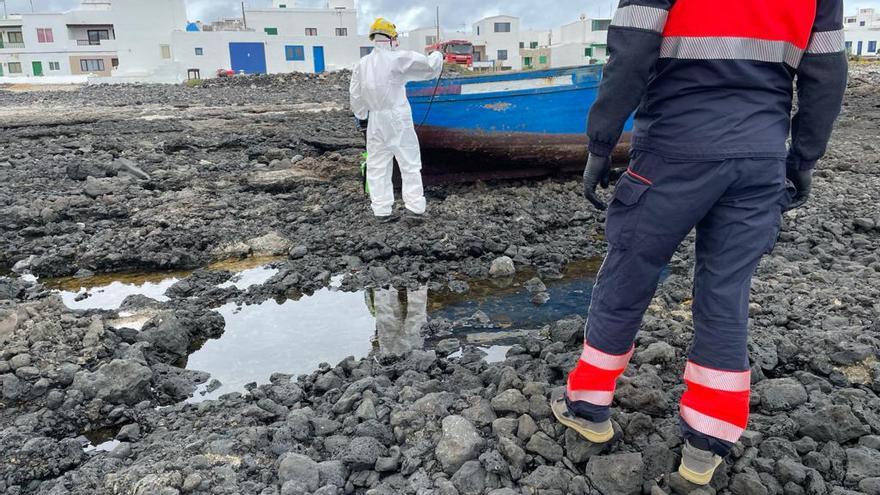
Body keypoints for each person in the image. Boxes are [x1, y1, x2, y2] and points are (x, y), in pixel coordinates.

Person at [552, 0, 847, 486]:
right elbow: (827, 76)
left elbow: (628, 56)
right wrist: (804, 159)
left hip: (673, 149)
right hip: (760, 156)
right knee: (726, 290)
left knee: (630, 269)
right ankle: (707, 441)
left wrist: (601, 144)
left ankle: (588, 404)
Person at [350, 18, 444, 223]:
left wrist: (363, 117)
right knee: (408, 162)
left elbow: (355, 97)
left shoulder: (361, 64)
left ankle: (382, 211)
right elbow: (429, 67)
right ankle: (414, 208)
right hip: (396, 116)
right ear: (391, 38)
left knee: (377, 165)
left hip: (375, 119)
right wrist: (438, 53)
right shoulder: (397, 59)